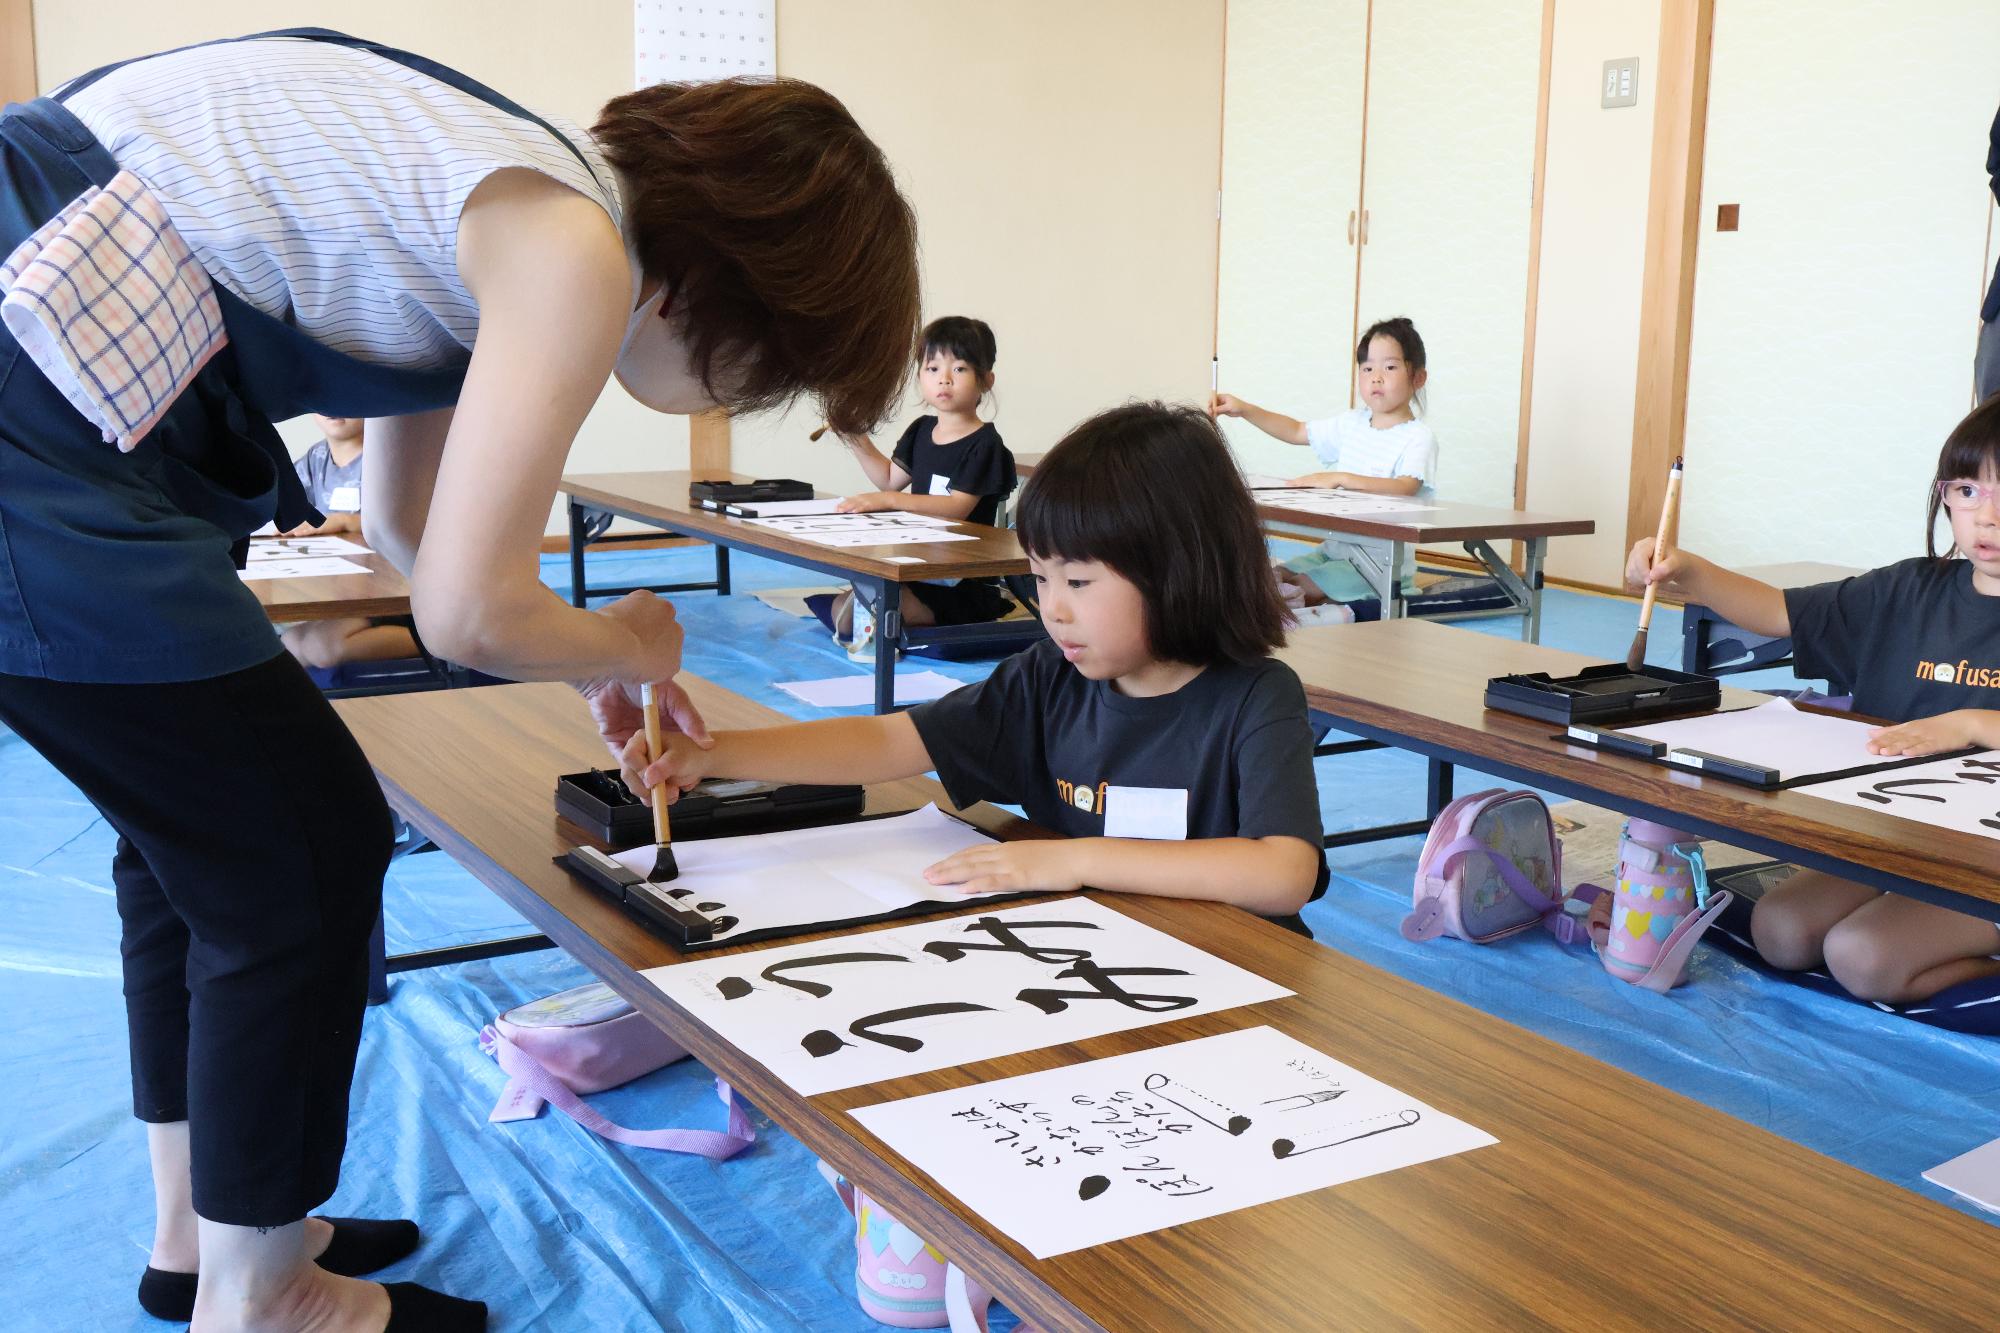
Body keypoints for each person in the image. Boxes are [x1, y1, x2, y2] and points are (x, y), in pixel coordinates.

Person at [0, 29, 918, 1332]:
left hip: (64, 394)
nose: (754, 395)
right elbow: (467, 605)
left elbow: (412, 541)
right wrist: (640, 644)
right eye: (772, 368)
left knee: (190, 845)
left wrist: (580, 673)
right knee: (300, 848)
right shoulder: (574, 245)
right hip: (34, 408)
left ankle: (201, 1235)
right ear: (724, 291)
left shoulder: (487, 205)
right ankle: (266, 1299)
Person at [629, 401, 1328, 934]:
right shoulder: (1048, 678)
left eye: (1078, 583)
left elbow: (1282, 872)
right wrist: (712, 756)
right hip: (1096, 949)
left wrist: (1078, 859)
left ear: (1179, 569)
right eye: (1041, 579)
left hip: (1232, 978)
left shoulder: (1255, 697)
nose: (1053, 609)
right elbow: (890, 741)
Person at [1624, 396, 2000, 1006]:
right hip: (1901, 833)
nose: (1988, 517)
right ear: (1944, 496)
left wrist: (1970, 722)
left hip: (1988, 854)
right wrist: (1687, 570)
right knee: (1781, 930)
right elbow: (1779, 612)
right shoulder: (1908, 590)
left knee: (1864, 956)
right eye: (1968, 491)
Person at [1210, 317, 1438, 619]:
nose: (1377, 378)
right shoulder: (1351, 423)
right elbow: (1295, 431)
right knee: (1272, 576)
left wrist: (1340, 478)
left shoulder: (1417, 435)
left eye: (1390, 367)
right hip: (1335, 552)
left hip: (1379, 564)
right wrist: (1245, 409)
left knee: (1300, 587)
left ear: (1418, 377)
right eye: (1368, 369)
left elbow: (1407, 486)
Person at [826, 316, 1018, 652]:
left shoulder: (985, 443)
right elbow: (889, 480)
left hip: (959, 577)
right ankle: (891, 614)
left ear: (986, 380)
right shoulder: (921, 430)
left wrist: (887, 501)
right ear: (920, 377)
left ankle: (930, 618)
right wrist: (854, 437)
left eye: (958, 369)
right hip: (919, 566)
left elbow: (956, 507)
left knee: (869, 612)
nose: (944, 379)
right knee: (844, 609)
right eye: (932, 369)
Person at [278, 416, 421, 669]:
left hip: (393, 589)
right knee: (289, 643)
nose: (332, 409)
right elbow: (284, 506)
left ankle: (435, 643)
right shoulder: (316, 459)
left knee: (321, 648)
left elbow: (409, 518)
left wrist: (348, 521)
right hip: (339, 592)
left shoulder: (392, 456)